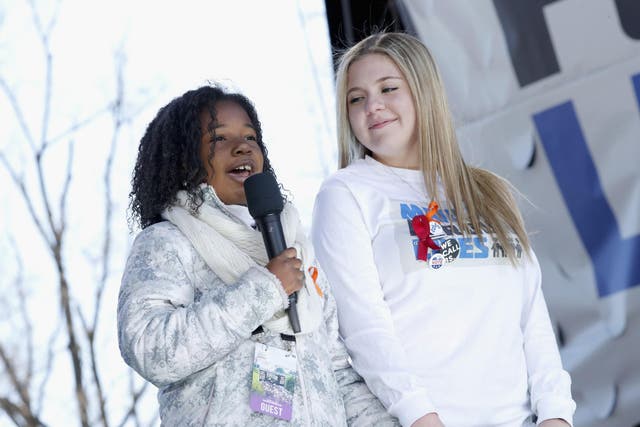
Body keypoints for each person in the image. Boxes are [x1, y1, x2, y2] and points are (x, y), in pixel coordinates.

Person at [311, 32, 576, 427]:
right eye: (356, 98)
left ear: (424, 92)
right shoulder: (346, 194)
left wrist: (556, 414)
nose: (372, 106)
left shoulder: (486, 191)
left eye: (388, 88)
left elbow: (531, 319)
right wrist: (421, 417)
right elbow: (363, 328)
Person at [117, 84, 399, 426]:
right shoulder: (168, 241)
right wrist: (265, 289)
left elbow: (336, 370)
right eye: (219, 138)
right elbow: (152, 349)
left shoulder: (294, 248)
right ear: (184, 158)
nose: (241, 147)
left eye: (251, 138)